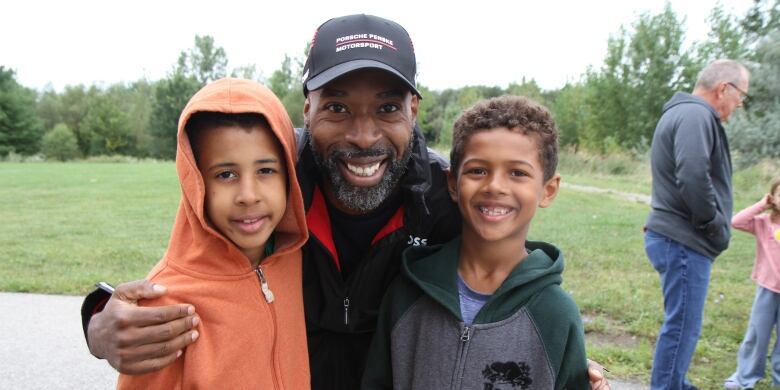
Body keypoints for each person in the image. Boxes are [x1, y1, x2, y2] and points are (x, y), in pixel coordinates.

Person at [80, 14, 610, 390]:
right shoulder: (271, 183)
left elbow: (511, 274)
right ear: (305, 109)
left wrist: (559, 366)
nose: (363, 136)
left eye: (386, 107)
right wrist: (99, 317)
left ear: (414, 110)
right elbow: (194, 262)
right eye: (337, 106)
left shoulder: (447, 198)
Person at [361, 95, 589, 389]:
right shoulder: (407, 293)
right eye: (478, 170)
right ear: (453, 184)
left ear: (548, 190)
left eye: (517, 173)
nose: (494, 186)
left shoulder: (556, 315)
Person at [115, 78, 310, 388]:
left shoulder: (298, 257)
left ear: (289, 175)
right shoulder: (165, 305)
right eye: (226, 174)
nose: (248, 195)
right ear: (195, 183)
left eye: (266, 170)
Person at [644, 59, 750, 389]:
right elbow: (692, 175)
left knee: (683, 324)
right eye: (741, 96)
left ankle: (677, 383)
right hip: (684, 240)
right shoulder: (695, 115)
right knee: (682, 327)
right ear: (724, 89)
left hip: (677, 238)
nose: (740, 104)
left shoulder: (683, 113)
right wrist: (715, 226)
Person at [724, 178, 780, 390]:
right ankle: (745, 376)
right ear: (772, 198)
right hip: (767, 289)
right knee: (757, 336)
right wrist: (761, 204)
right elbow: (736, 221)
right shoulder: (763, 223)